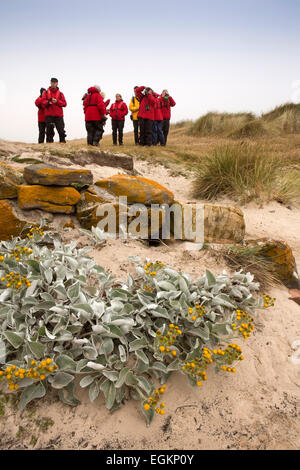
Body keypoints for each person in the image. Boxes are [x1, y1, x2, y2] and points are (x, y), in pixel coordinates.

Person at [41, 78, 67, 143]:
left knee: (61, 131)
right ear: (50, 83)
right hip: (49, 115)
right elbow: (42, 102)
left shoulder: (61, 94)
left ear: (57, 83)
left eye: (55, 82)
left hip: (58, 116)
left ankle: (62, 143)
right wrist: (48, 102)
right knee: (49, 132)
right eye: (52, 82)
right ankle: (49, 146)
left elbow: (64, 104)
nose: (53, 84)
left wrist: (57, 101)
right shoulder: (46, 93)